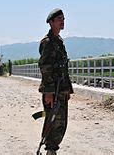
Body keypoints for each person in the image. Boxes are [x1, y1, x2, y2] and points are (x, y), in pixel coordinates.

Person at [38, 8, 74, 155]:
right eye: (59, 19)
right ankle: (50, 150)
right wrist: (48, 93)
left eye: (63, 19)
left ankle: (52, 150)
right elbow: (46, 67)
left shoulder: (59, 42)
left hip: (61, 89)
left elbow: (62, 67)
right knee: (53, 121)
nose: (62, 21)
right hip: (53, 91)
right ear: (51, 22)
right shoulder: (48, 42)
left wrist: (67, 89)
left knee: (61, 123)